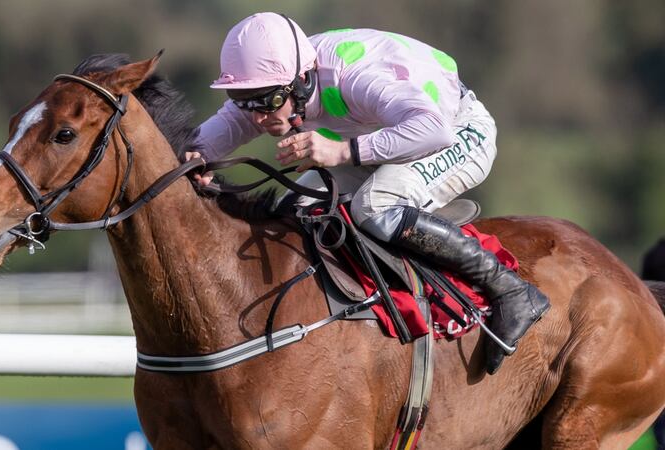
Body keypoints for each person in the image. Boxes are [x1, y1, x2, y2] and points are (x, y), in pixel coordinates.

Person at [185, 12, 549, 374]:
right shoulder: (276, 84)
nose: (257, 117)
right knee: (292, 208)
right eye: (242, 99)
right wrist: (193, 158)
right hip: (386, 137)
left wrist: (342, 152)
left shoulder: (352, 79)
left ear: (299, 82)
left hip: (455, 132)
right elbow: (223, 127)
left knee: (374, 206)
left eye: (266, 101)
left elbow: (434, 131)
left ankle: (511, 290)